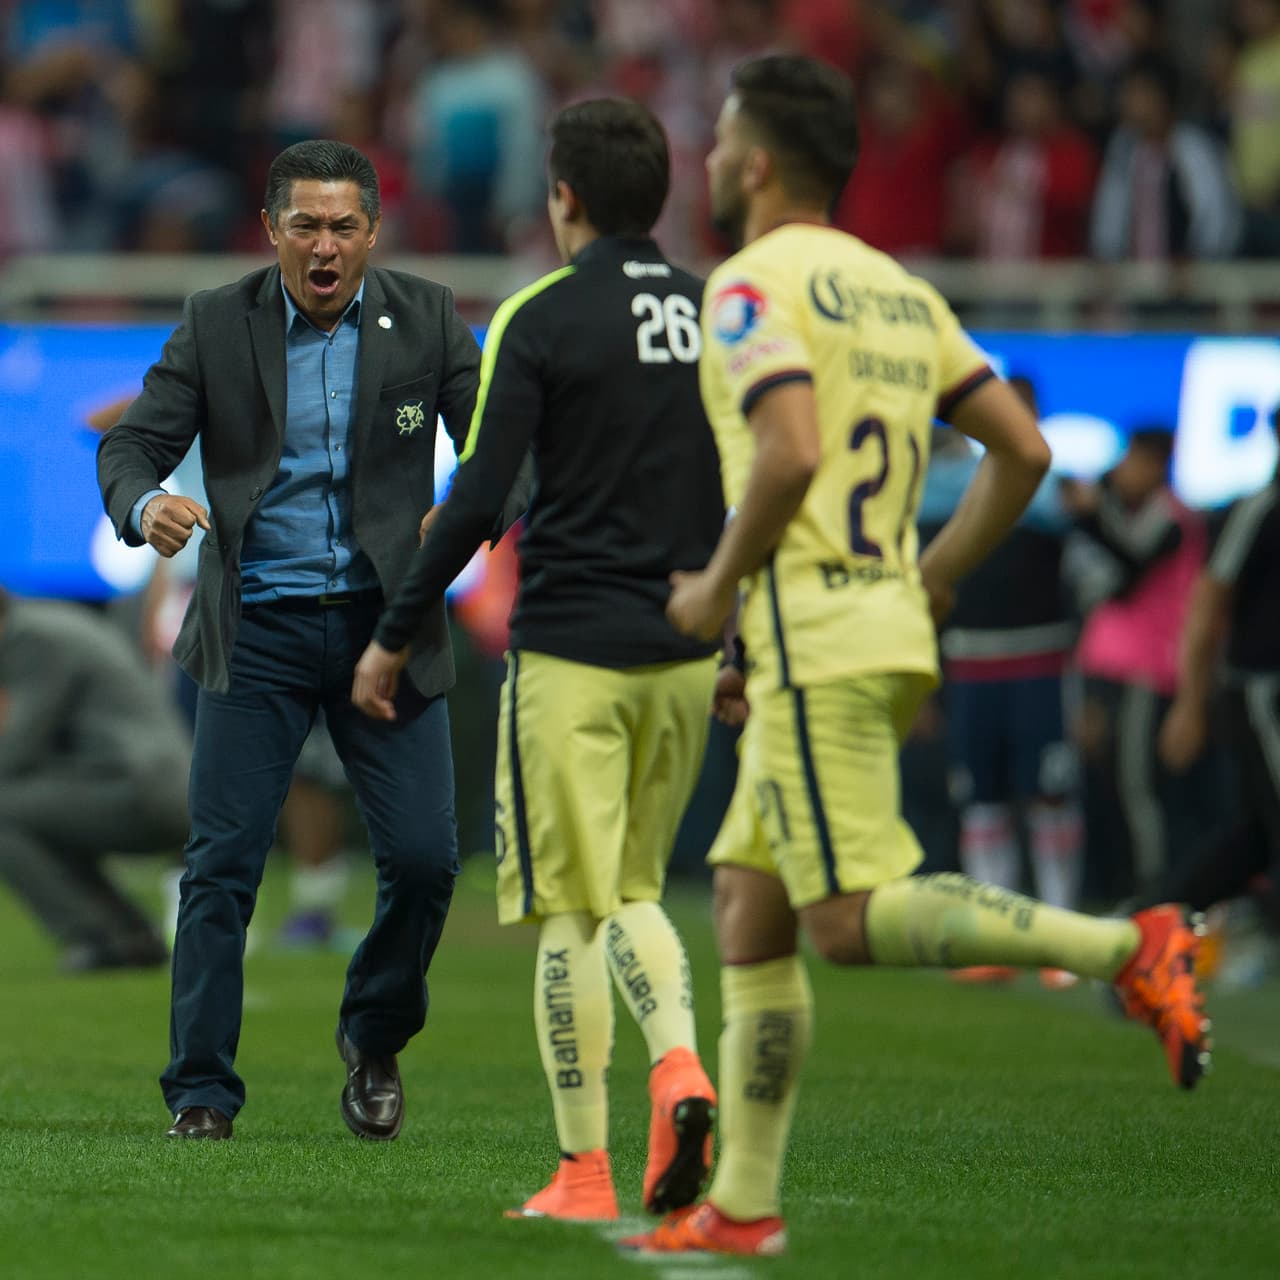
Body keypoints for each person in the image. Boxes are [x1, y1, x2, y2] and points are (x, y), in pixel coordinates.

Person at [623, 54, 1211, 1258]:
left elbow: (784, 453)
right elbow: (1023, 451)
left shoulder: (746, 289)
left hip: (812, 635)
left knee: (837, 917)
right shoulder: (898, 292)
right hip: (879, 621)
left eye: (726, 136)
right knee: (748, 906)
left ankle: (1128, 945)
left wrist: (712, 589)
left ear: (757, 159)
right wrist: (933, 574)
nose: (716, 156)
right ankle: (739, 1204)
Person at [97, 139, 524, 1141]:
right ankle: (200, 1089)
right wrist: (147, 500)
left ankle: (372, 1036)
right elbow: (130, 445)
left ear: (371, 232)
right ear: (271, 233)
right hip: (258, 632)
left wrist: (459, 515)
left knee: (424, 860)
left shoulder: (426, 318)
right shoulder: (215, 320)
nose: (324, 245)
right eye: (305, 225)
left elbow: (509, 455)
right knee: (220, 867)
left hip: (388, 631)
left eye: (342, 226)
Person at [352, 98, 725, 1221]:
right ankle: (642, 1108)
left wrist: (396, 629)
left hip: (571, 647)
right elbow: (750, 485)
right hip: (686, 655)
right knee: (633, 888)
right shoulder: (719, 313)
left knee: (576, 902)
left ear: (560, 194)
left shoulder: (542, 314)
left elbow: (474, 499)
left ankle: (618, 1130)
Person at [918, 377, 1083, 988]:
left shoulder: (1052, 493)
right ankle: (996, 936)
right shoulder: (941, 492)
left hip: (1038, 660)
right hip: (969, 662)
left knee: (1049, 796)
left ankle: (1061, 938)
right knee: (981, 798)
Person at [0, 587, 190, 971]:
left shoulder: (31, 638)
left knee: (5, 811)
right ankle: (130, 937)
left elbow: (18, 750)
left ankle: (101, 938)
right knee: (27, 808)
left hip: (140, 789)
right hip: (142, 784)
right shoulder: (44, 622)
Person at [1062, 428, 1209, 899]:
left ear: (1155, 463)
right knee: (1103, 787)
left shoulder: (1171, 517)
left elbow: (1131, 568)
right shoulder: (1126, 513)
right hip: (1103, 666)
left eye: (1134, 461)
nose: (1124, 471)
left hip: (1149, 672)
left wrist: (1091, 515)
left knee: (1139, 787)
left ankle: (1154, 893)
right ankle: (1114, 889)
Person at [1156, 404, 1280, 960]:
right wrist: (1190, 703)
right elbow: (1208, 604)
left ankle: (1148, 940)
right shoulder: (1259, 509)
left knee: (1252, 839)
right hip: (1263, 693)